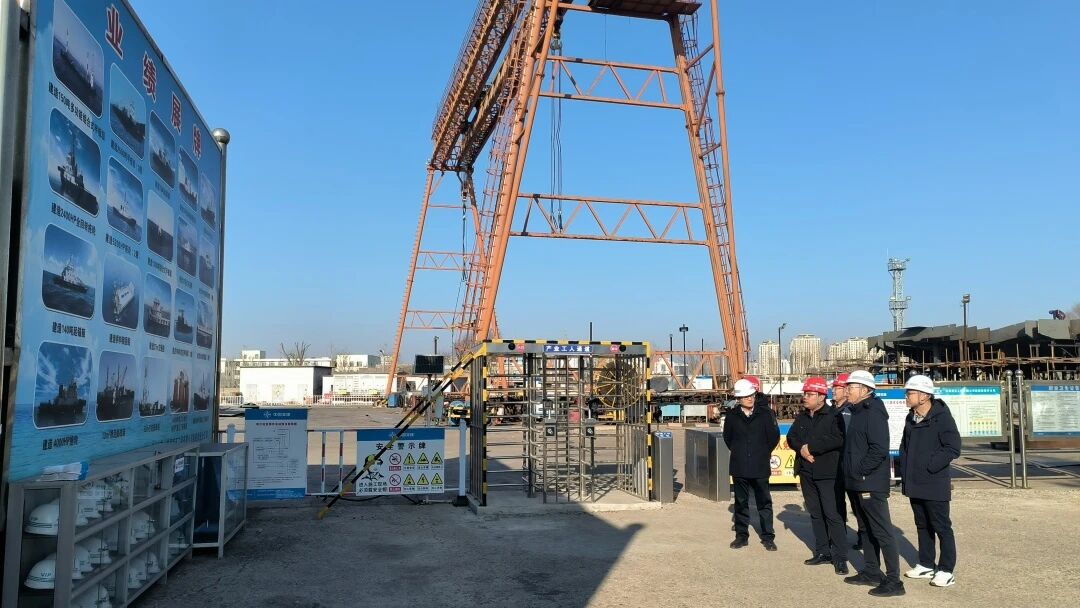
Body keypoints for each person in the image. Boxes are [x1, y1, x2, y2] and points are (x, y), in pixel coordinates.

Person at [841, 370, 905, 597]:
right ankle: (871, 571)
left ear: (865, 390)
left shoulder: (873, 412)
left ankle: (894, 580)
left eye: (851, 387)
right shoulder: (855, 411)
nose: (847, 391)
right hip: (856, 482)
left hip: (870, 482)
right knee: (865, 528)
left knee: (882, 531)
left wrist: (860, 471)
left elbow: (878, 449)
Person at [899, 374, 961, 588]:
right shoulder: (911, 417)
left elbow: (953, 447)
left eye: (910, 393)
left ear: (924, 396)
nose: (906, 396)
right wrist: (905, 470)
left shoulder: (942, 417)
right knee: (922, 524)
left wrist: (930, 466)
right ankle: (926, 564)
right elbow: (904, 446)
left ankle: (946, 570)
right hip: (914, 481)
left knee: (941, 526)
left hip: (934, 482)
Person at [786, 377, 849, 575]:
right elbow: (791, 437)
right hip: (806, 472)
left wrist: (811, 448)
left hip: (828, 472)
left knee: (832, 514)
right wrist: (802, 450)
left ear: (821, 397)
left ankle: (840, 557)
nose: (805, 397)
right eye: (804, 394)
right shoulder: (802, 417)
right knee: (816, 513)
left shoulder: (834, 415)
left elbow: (838, 438)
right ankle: (823, 552)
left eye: (809, 394)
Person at [723, 378, 781, 551]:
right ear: (738, 399)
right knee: (741, 503)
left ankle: (768, 537)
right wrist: (740, 452)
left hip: (760, 465)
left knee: (764, 503)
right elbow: (728, 438)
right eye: (746, 396)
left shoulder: (765, 414)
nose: (750, 398)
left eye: (752, 395)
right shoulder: (732, 416)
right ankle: (741, 536)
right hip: (739, 466)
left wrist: (761, 452)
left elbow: (773, 437)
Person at [832, 373, 863, 549]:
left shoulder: (850, 411)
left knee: (857, 504)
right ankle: (839, 537)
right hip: (835, 465)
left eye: (837, 388)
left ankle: (863, 537)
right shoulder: (833, 409)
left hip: (848, 464)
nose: (833, 391)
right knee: (837, 504)